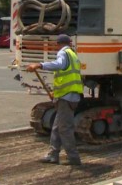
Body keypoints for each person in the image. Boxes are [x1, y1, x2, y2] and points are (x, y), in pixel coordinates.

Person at [26, 34, 83, 166]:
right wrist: (55, 92)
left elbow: (59, 65)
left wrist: (40, 65)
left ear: (58, 44)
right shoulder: (73, 55)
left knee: (64, 128)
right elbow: (67, 77)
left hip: (66, 97)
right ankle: (53, 155)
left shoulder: (63, 53)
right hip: (68, 96)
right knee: (57, 127)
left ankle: (73, 158)